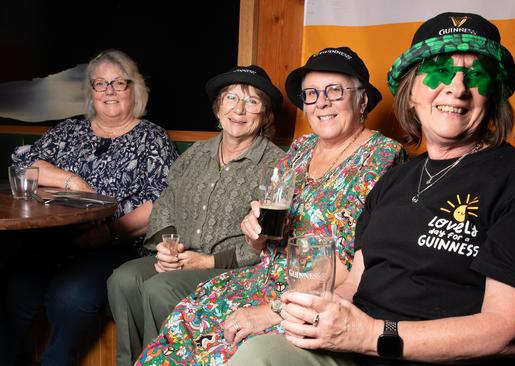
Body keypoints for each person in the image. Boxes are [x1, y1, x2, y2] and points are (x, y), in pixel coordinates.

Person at [228, 12, 515, 366]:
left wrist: (370, 335)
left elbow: (506, 334)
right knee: (253, 349)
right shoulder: (396, 179)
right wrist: (289, 314)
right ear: (411, 90)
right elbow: (353, 286)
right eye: (439, 72)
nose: (457, 88)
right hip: (350, 345)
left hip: (417, 354)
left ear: (492, 95)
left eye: (476, 75)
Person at [136, 46, 405, 365]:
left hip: (318, 303)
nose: (322, 102)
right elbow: (265, 238)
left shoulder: (384, 158)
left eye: (335, 90)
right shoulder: (302, 149)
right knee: (181, 330)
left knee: (227, 352)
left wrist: (271, 312)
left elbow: (360, 267)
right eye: (312, 93)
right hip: (261, 281)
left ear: (362, 100)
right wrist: (254, 231)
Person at [3, 49, 178, 365]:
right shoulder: (69, 131)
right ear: (91, 92)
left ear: (134, 90)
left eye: (118, 83)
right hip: (53, 239)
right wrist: (70, 180)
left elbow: (161, 203)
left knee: (69, 297)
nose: (109, 91)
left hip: (115, 245)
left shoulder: (152, 138)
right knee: (16, 287)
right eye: (100, 84)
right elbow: (22, 164)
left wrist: (110, 232)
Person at [106, 65, 286, 366]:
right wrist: (168, 248)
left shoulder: (276, 164)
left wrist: (208, 261)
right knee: (122, 279)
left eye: (252, 101)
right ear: (218, 109)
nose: (239, 109)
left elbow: (267, 243)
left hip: (231, 269)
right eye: (230, 98)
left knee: (158, 288)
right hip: (183, 257)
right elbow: (165, 206)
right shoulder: (196, 155)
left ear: (264, 115)